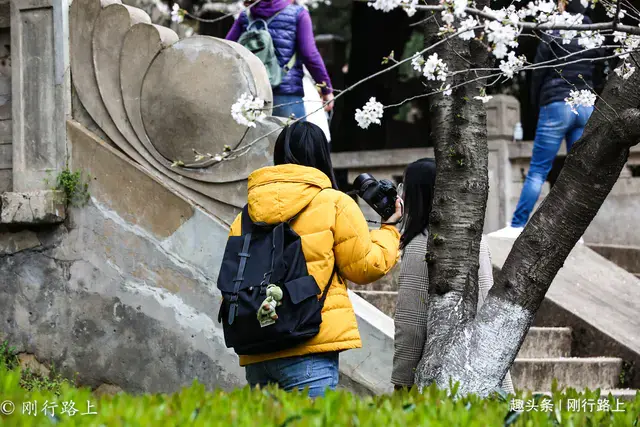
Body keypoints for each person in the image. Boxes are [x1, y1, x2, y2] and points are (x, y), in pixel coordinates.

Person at [228, 121, 402, 398]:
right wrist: (390, 230)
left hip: (258, 348)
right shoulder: (334, 203)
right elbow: (365, 267)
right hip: (308, 345)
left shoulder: (248, 214)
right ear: (322, 155)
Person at [391, 158, 515, 394]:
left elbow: (411, 325)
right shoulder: (475, 239)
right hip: (483, 367)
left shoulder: (420, 245)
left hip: (443, 377)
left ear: (416, 194)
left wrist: (402, 381)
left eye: (404, 187)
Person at [492, 0, 598, 240]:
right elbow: (598, 62)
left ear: (564, 4)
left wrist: (536, 101)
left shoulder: (554, 28)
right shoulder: (592, 28)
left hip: (556, 103)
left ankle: (518, 224)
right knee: (577, 170)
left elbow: (539, 70)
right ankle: (574, 232)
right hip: (586, 104)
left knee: (539, 169)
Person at [226, 0, 335, 119]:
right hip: (285, 94)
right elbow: (310, 54)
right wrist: (326, 89)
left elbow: (228, 49)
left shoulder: (246, 15)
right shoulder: (298, 14)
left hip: (250, 94)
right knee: (293, 136)